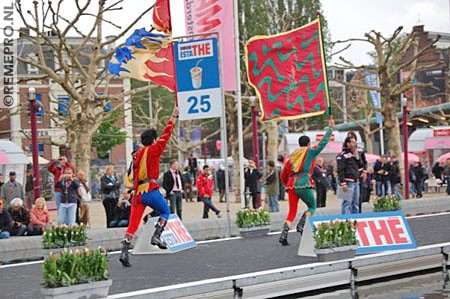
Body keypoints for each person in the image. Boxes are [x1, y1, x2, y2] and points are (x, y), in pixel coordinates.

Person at [119, 106, 179, 267]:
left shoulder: (137, 154)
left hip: (136, 193)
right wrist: (173, 117)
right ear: (153, 140)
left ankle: (125, 250)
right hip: (150, 189)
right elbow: (166, 135)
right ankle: (156, 236)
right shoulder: (153, 150)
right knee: (166, 211)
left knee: (133, 224)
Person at [279, 118, 335, 246]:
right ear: (308, 143)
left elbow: (283, 175)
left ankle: (284, 233)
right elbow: (322, 143)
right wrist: (330, 129)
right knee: (312, 206)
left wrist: (286, 185)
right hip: (304, 182)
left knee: (292, 211)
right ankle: (301, 225)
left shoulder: (292, 157)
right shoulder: (310, 152)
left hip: (291, 185)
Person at [336, 136, 366, 215]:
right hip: (348, 182)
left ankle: (356, 219)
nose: (354, 144)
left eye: (355, 142)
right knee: (347, 203)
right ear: (348, 143)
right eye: (352, 142)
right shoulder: (342, 155)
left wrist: (357, 157)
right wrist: (343, 183)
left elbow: (361, 165)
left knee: (356, 203)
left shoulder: (357, 153)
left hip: (356, 181)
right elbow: (340, 170)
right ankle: (345, 219)